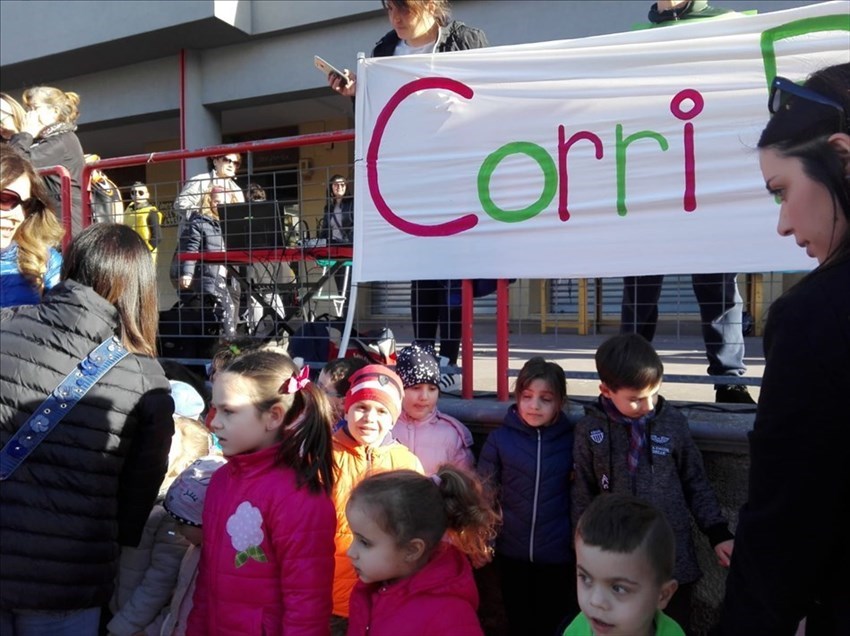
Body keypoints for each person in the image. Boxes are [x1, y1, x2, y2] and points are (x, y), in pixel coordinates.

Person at [718, 63, 850, 635]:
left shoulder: (813, 318)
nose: (781, 224)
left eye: (782, 192)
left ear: (841, 156)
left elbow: (782, 528)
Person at [0, 223, 175, 635]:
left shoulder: (6, 323)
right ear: (140, 290)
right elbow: (136, 499)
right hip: (68, 573)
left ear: (71, 266)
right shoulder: (146, 378)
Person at [328, 0, 488, 390]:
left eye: (404, 8)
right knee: (420, 269)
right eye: (389, 9)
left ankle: (449, 359)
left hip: (458, 175)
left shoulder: (465, 40)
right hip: (409, 178)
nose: (396, 18)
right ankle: (422, 356)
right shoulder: (384, 50)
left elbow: (489, 98)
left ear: (431, 6)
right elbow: (374, 118)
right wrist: (354, 94)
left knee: (453, 271)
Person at [620, 0, 753, 406]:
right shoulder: (632, 42)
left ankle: (729, 382)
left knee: (718, 289)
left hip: (709, 183)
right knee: (640, 290)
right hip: (650, 186)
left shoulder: (733, 27)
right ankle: (627, 379)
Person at [572, 333, 734, 631]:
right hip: (617, 564)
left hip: (671, 561)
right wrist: (582, 543)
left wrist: (718, 533)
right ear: (606, 391)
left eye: (654, 394)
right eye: (634, 400)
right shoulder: (590, 430)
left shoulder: (672, 423)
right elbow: (582, 491)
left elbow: (695, 481)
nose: (647, 405)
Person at [186, 350, 336, 635]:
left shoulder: (299, 497)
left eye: (228, 411)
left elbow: (307, 607)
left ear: (274, 416)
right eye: (214, 408)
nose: (213, 422)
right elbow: (206, 581)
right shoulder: (221, 480)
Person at [476, 356, 577, 636]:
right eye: (527, 396)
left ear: (560, 402)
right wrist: (485, 538)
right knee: (517, 621)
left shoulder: (572, 440)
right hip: (511, 554)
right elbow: (484, 493)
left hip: (557, 557)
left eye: (545, 398)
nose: (535, 405)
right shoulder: (500, 440)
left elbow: (581, 494)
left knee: (552, 623)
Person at [345, 466, 501, 636]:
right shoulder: (371, 590)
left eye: (365, 542)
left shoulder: (450, 617)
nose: (350, 552)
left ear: (412, 550)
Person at [330, 364, 424, 634]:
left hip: (387, 594)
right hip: (333, 596)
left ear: (394, 418)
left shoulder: (406, 463)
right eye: (361, 407)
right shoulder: (324, 457)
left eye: (381, 410)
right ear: (346, 410)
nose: (370, 418)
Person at [106, 417, 215, 636]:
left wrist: (124, 627)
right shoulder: (149, 496)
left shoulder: (174, 513)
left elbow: (159, 581)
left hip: (132, 621)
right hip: (118, 607)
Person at [563, 493, 683, 636]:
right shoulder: (576, 631)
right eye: (586, 579)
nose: (596, 601)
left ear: (662, 595)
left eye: (618, 588)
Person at [160, 456, 228, 636]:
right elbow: (177, 606)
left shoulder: (222, 564)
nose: (177, 529)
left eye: (182, 523)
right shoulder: (194, 552)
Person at [8, 86, 86, 235]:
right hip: (51, 222)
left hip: (65, 226)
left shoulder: (63, 139)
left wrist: (25, 134)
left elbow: (15, 164)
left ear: (54, 112)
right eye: (28, 109)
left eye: (34, 108)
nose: (28, 115)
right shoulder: (46, 140)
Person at [391, 343, 474, 474]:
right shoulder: (385, 428)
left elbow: (463, 485)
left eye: (432, 389)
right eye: (415, 388)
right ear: (400, 389)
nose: (424, 397)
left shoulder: (451, 434)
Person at [0, 145, 64, 308]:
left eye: (27, 205)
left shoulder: (46, 260)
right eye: (6, 199)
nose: (18, 216)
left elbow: (73, 323)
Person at [172, 184, 239, 338]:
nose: (220, 205)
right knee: (227, 308)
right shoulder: (201, 221)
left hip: (228, 273)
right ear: (209, 201)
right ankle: (230, 345)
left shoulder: (231, 222)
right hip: (211, 273)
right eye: (216, 201)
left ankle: (220, 344)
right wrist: (187, 273)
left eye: (224, 202)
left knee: (221, 311)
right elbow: (192, 248)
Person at [172, 153, 244, 235]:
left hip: (226, 238)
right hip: (197, 238)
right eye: (227, 160)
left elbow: (239, 216)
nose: (231, 165)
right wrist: (204, 217)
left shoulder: (237, 190)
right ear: (215, 161)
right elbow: (180, 204)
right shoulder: (200, 180)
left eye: (236, 163)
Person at [316, 356, 368, 430]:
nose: (315, 392)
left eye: (323, 391)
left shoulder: (340, 434)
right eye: (317, 386)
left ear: (343, 402)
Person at [125, 181, 163, 265]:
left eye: (140, 192)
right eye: (133, 192)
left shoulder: (151, 212)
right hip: (128, 253)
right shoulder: (129, 209)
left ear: (147, 195)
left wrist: (145, 251)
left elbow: (157, 236)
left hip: (144, 255)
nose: (137, 195)